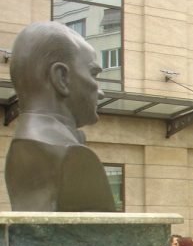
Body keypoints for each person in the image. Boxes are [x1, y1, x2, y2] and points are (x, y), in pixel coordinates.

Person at [5, 21, 115, 212]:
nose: (101, 93)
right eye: (93, 74)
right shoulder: (73, 155)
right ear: (61, 77)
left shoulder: (24, 148)